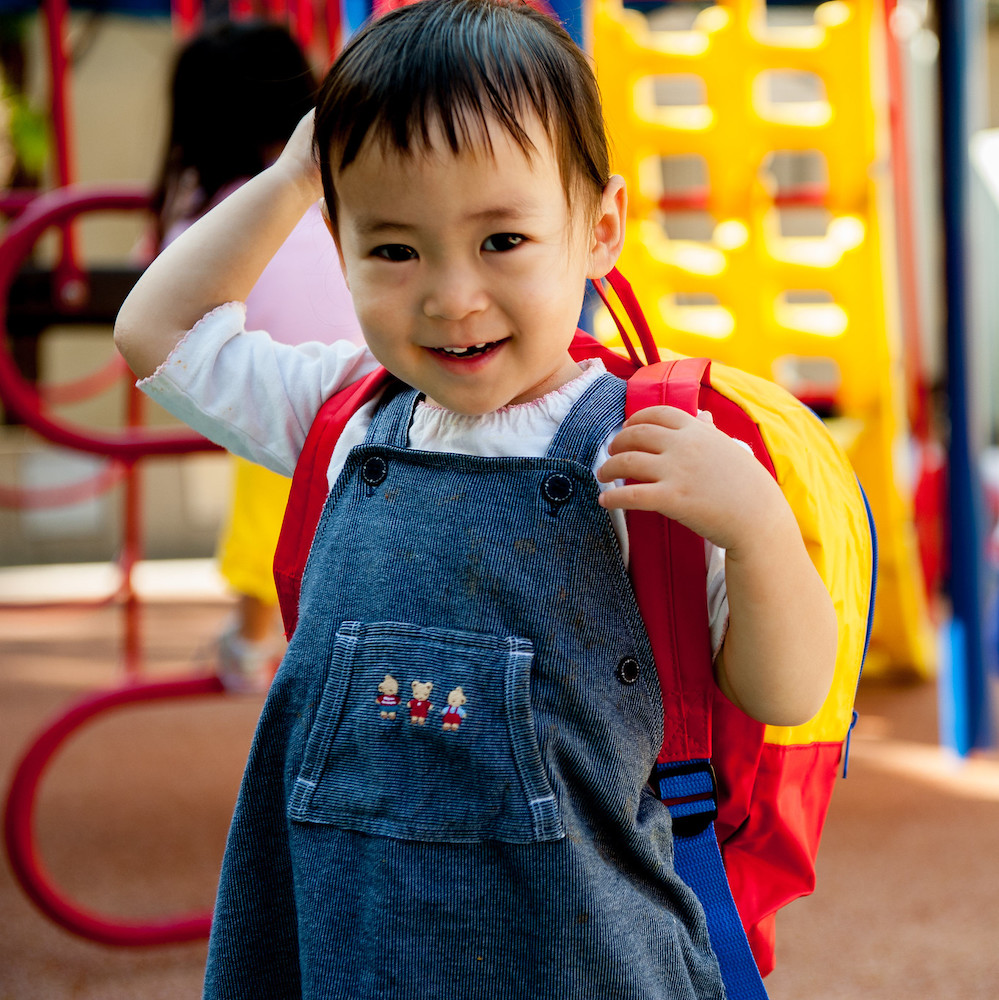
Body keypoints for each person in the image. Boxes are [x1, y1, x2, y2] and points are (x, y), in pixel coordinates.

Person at [114, 1, 838, 996]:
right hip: (351, 943)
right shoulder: (344, 412)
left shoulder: (647, 448)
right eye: (394, 250)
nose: (452, 296)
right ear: (339, 240)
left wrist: (758, 531)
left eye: (502, 240)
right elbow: (156, 332)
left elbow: (786, 691)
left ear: (599, 229)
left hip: (576, 959)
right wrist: (290, 179)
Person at [151, 20, 365, 691]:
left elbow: (156, 296)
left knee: (267, 465)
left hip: (301, 398)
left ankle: (248, 638)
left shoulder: (213, 217)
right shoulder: (346, 193)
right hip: (377, 384)